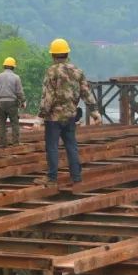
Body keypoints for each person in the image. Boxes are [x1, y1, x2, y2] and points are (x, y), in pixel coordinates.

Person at [37, 38, 100, 185]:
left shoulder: (51, 71)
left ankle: (52, 178)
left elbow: (48, 96)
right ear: (67, 54)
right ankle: (76, 177)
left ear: (53, 55)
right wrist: (94, 111)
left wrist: (40, 116)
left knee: (52, 147)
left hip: (54, 117)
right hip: (71, 116)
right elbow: (86, 92)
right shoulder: (77, 71)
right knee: (71, 146)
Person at [0, 57, 26, 146]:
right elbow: (19, 91)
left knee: (2, 124)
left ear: (4, 66)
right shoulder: (16, 77)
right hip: (12, 103)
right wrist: (23, 101)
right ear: (13, 67)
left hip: (1, 103)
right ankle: (15, 142)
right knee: (14, 123)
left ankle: (3, 143)